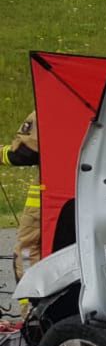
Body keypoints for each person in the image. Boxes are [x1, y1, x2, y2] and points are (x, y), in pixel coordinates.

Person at [2, 111, 41, 282]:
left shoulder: (49, 107)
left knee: (27, 250)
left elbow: (24, 153)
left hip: (49, 195)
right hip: (99, 190)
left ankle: (31, 303)